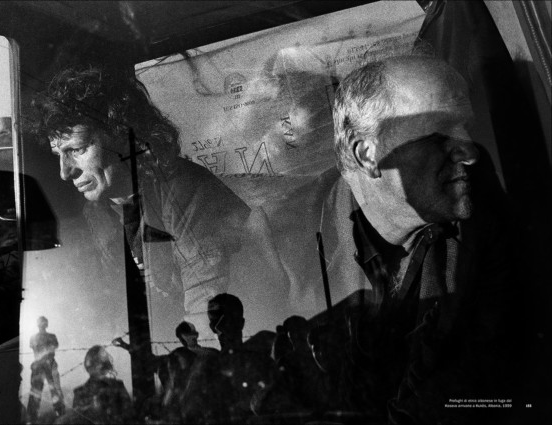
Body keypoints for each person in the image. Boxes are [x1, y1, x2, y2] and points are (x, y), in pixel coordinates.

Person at [295, 54, 522, 424]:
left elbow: (489, 370)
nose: (469, 152)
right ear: (368, 155)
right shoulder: (283, 242)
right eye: (438, 132)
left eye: (466, 127)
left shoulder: (480, 223)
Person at [33, 65, 290, 338]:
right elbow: (113, 310)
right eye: (58, 155)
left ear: (122, 135)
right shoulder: (96, 212)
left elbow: (210, 317)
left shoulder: (184, 191)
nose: (64, 172)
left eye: (77, 149)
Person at [180, 293, 298, 424]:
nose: (218, 327)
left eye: (226, 319)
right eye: (213, 321)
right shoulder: (206, 367)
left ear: (240, 323)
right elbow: (190, 413)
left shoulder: (263, 361)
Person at [55, 345, 134, 424]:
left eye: (99, 363)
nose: (97, 367)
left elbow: (129, 416)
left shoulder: (117, 386)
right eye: (95, 363)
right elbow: (76, 421)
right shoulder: (80, 392)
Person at [26, 316, 65, 423]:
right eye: (41, 323)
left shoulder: (45, 336)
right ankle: (32, 417)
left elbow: (52, 346)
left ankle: (60, 413)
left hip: (47, 365)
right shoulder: (40, 337)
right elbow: (50, 347)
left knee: (53, 389)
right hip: (42, 365)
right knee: (38, 391)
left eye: (44, 323)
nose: (42, 325)